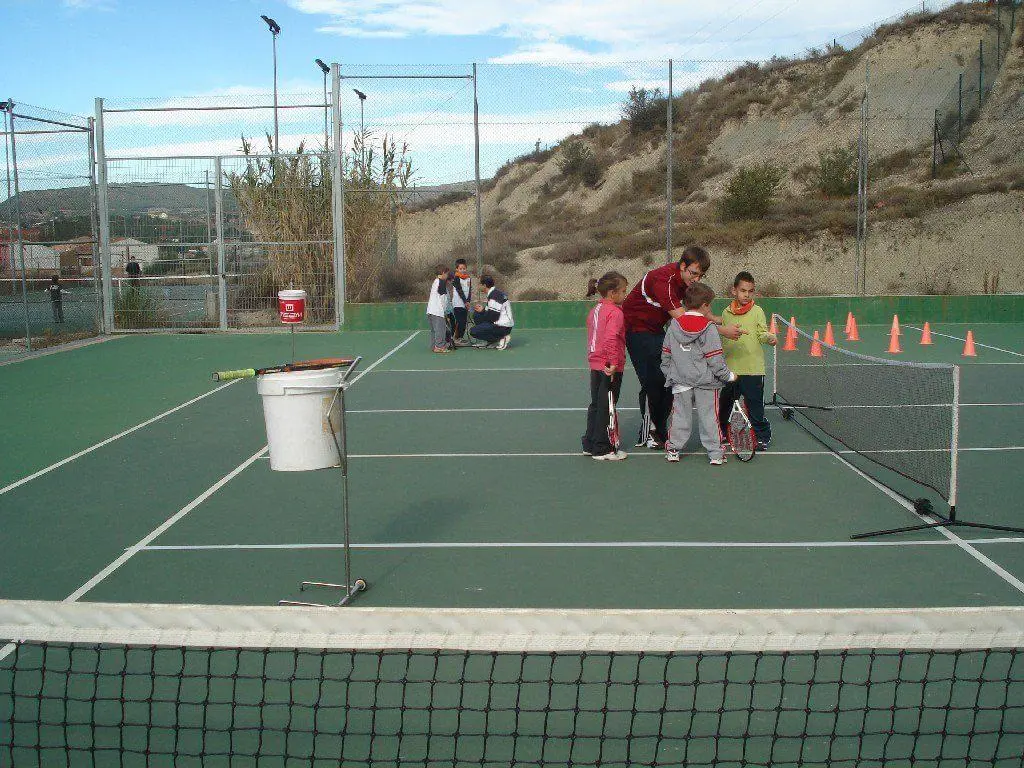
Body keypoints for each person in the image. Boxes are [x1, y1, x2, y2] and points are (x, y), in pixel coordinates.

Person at [621, 246, 744, 450]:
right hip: (636, 330)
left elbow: (695, 309)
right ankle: (650, 432)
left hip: (656, 330)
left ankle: (659, 430)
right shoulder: (664, 281)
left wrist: (720, 318)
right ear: (683, 266)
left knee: (669, 380)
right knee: (653, 382)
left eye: (700, 275)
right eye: (694, 273)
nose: (696, 279)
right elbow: (686, 321)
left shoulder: (685, 282)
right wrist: (722, 330)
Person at [660, 282, 737, 465]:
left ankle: (672, 450)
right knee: (710, 417)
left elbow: (666, 355)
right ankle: (716, 454)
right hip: (707, 383)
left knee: (680, 417)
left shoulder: (673, 325)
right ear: (703, 306)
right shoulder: (709, 328)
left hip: (680, 382)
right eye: (709, 304)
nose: (709, 308)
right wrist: (728, 376)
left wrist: (671, 374)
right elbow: (715, 359)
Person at [718, 271, 777, 450]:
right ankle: (722, 434)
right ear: (734, 291)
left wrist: (769, 337)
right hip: (731, 370)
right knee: (725, 405)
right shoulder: (726, 312)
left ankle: (761, 436)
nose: (746, 295)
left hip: (752, 369)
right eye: (743, 290)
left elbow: (761, 333)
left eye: (750, 291)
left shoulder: (757, 311)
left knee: (755, 407)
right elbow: (723, 337)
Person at [582, 272, 629, 461]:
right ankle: (603, 448)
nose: (625, 295)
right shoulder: (615, 313)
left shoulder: (595, 310)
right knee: (607, 405)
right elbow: (610, 338)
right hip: (609, 366)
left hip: (595, 363)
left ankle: (590, 442)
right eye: (623, 291)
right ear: (612, 293)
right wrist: (612, 363)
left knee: (596, 404)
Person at [469, 275, 514, 350]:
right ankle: (491, 341)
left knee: (473, 331)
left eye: (479, 284)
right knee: (477, 315)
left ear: (484, 285)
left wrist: (483, 311)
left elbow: (493, 317)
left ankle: (502, 337)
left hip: (503, 327)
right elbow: (491, 312)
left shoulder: (494, 296)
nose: (478, 286)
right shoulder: (494, 293)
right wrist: (482, 310)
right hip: (499, 323)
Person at [426, 265, 452, 353]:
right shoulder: (441, 282)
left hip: (430, 310)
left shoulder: (436, 281)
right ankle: (440, 347)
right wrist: (444, 311)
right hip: (437, 311)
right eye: (447, 274)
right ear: (443, 273)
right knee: (440, 329)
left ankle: (434, 346)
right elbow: (443, 298)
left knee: (434, 330)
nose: (447, 276)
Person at [450, 258, 473, 345]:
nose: (462, 270)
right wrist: (465, 301)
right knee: (460, 321)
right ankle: (455, 339)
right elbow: (460, 290)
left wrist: (468, 301)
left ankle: (460, 338)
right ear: (457, 269)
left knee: (464, 322)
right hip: (458, 304)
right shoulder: (456, 278)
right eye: (460, 269)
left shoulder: (468, 278)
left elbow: (469, 291)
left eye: (464, 268)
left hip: (465, 304)